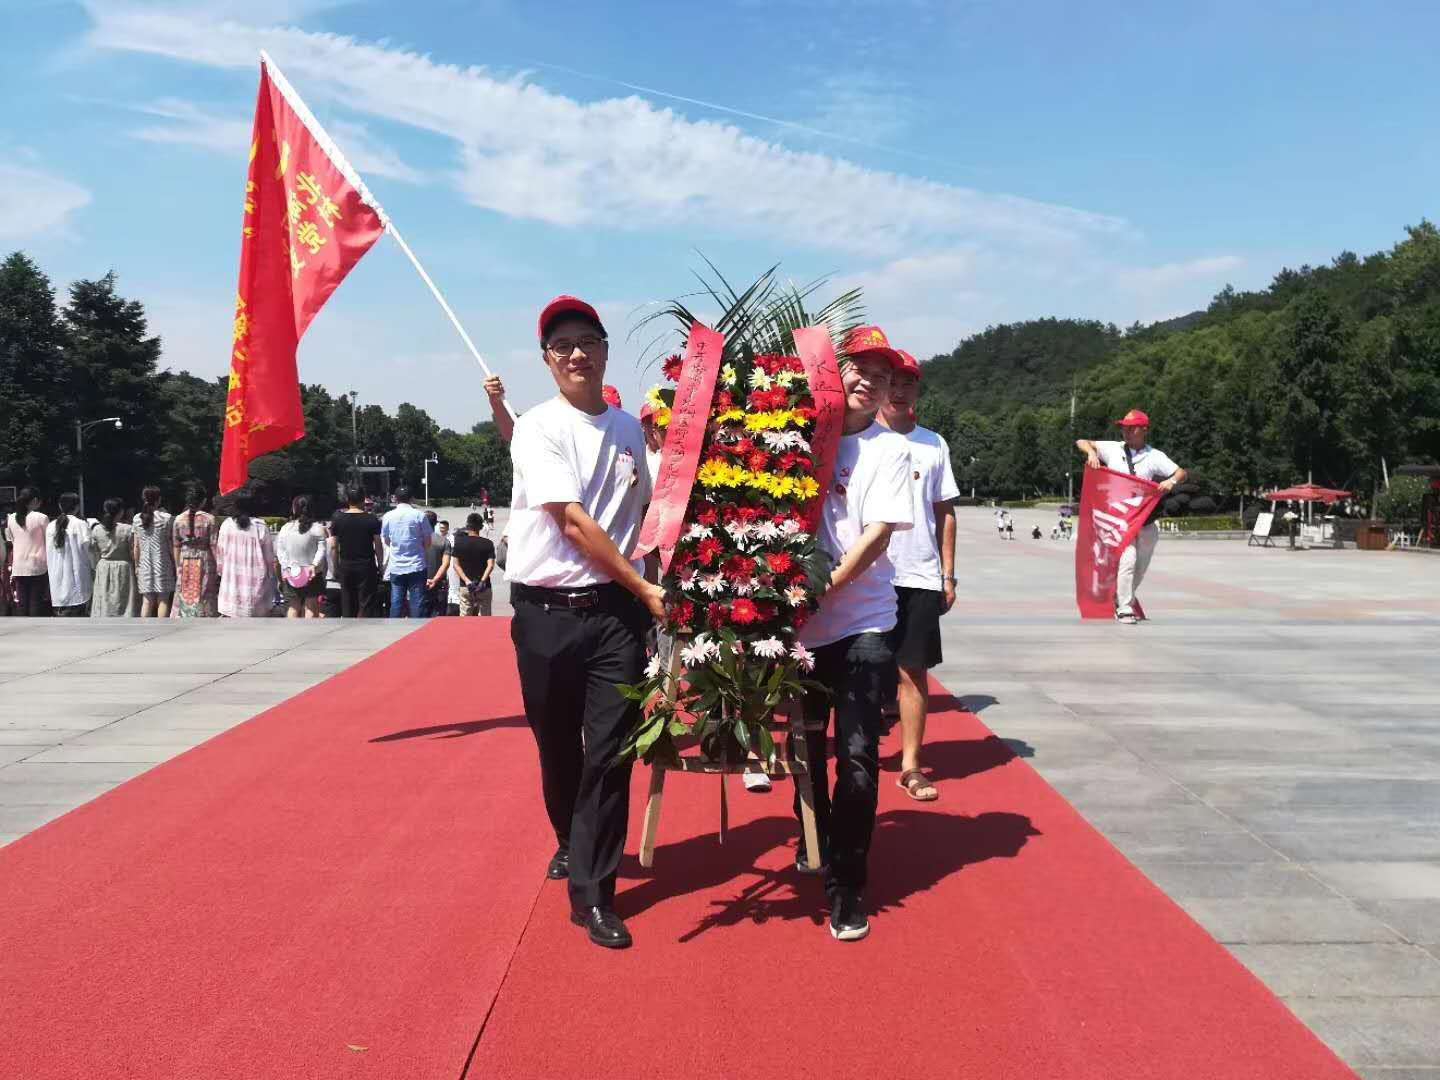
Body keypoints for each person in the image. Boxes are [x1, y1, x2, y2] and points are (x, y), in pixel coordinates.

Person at [508, 294, 664, 950]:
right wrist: (647, 589)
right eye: (562, 346)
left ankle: (595, 895)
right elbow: (571, 522)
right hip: (546, 613)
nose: (577, 354)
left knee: (610, 752)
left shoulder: (629, 430)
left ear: (605, 351)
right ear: (547, 361)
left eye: (587, 342)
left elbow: (656, 515)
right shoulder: (538, 427)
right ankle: (570, 840)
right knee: (558, 748)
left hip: (616, 618)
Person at [792, 325, 912, 942]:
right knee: (806, 756)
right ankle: (809, 830)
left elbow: (876, 536)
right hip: (798, 633)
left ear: (892, 388)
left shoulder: (891, 452)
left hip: (864, 622)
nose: (868, 380)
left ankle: (847, 883)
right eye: (856, 368)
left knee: (859, 759)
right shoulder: (796, 436)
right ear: (833, 373)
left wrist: (822, 587)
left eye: (881, 374)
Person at [878, 349, 958, 804]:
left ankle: (910, 764)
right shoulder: (862, 438)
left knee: (913, 672)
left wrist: (949, 574)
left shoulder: (934, 444)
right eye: (893, 380)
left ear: (916, 390)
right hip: (870, 576)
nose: (899, 388)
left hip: (920, 573)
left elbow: (945, 513)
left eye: (908, 382)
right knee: (863, 672)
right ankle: (861, 752)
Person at [1076, 408, 1187, 624]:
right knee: (1128, 560)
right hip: (1121, 522)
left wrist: (1170, 482)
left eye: (1131, 428)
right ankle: (1125, 607)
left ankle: (1122, 597)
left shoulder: (1154, 456)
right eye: (1123, 428)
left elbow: (1181, 472)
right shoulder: (1113, 449)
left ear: (1144, 430)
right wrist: (1091, 453)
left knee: (1140, 567)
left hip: (1146, 521)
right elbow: (1082, 441)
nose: (1126, 432)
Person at [215, 495, 276, 618]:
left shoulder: (227, 525)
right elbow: (269, 557)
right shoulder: (260, 527)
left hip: (231, 579)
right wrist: (271, 575)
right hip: (255, 581)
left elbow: (220, 552)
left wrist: (221, 571)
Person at [328, 485, 383, 618]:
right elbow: (378, 545)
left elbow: (334, 546)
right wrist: (380, 565)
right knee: (366, 602)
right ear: (363, 499)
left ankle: (348, 631)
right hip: (366, 564)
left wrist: (335, 567)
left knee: (347, 601)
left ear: (347, 499)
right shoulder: (371, 519)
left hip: (346, 564)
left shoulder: (338, 519)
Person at [381, 486, 432, 619]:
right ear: (411, 498)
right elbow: (428, 542)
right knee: (417, 603)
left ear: (395, 499)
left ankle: (394, 630)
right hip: (417, 564)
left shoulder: (388, 516)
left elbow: (386, 541)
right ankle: (417, 632)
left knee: (396, 602)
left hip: (397, 565)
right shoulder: (419, 515)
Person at [171, 484, 219, 618]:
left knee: (185, 590)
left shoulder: (178, 519)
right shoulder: (209, 519)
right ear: (203, 500)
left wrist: (177, 566)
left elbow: (176, 545)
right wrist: (219, 567)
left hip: (185, 559)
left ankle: (185, 616)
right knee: (205, 591)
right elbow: (213, 545)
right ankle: (204, 616)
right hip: (204, 559)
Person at [276, 495, 328, 618]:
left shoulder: (286, 528)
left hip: (292, 572)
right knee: (311, 605)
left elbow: (280, 551)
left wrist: (286, 567)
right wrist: (314, 565)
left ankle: (292, 634)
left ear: (294, 509)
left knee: (293, 606)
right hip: (312, 573)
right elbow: (322, 550)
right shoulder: (318, 528)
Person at [45, 492, 95, 616]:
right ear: (77, 507)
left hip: (57, 582)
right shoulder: (81, 525)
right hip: (79, 581)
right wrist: (94, 567)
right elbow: (89, 551)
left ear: (60, 506)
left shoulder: (51, 526)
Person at [90, 497, 140, 617]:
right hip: (124, 567)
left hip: (103, 566)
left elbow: (94, 551)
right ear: (121, 511)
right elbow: (132, 551)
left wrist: (97, 565)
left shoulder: (97, 529)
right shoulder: (127, 529)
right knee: (124, 601)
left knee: (104, 598)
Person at [133, 486, 176, 618]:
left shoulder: (136, 518)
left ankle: (144, 630)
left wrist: (136, 566)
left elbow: (136, 546)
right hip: (162, 563)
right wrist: (175, 563)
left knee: (147, 600)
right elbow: (170, 544)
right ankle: (161, 630)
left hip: (144, 564)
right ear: (159, 500)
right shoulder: (166, 518)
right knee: (163, 599)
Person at [6, 488, 50, 616]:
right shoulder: (42, 518)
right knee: (36, 602)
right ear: (35, 500)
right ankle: (35, 633)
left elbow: (11, 540)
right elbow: (48, 541)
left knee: (22, 603)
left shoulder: (11, 518)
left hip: (18, 566)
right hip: (38, 566)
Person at [447, 512, 496, 616]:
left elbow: (456, 565)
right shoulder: (488, 543)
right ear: (481, 527)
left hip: (466, 586)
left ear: (467, 526)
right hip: (484, 586)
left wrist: (466, 580)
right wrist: (483, 581)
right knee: (485, 617)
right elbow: (490, 565)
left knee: (465, 616)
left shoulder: (459, 543)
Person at [423, 513, 448, 617]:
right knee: (437, 614)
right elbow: (445, 564)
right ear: (435, 524)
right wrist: (435, 579)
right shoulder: (443, 541)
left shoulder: (417, 540)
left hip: (419, 581)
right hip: (438, 583)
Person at [639, 400, 664, 486]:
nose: (654, 427)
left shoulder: (675, 453)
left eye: (658, 421)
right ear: (642, 426)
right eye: (649, 422)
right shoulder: (639, 457)